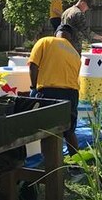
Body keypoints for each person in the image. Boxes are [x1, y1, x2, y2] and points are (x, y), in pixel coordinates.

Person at [28, 23, 81, 155]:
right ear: (70, 38)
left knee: (47, 130)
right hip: (72, 94)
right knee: (69, 130)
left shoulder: (45, 41)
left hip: (49, 92)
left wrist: (33, 87)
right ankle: (77, 162)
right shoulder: (75, 54)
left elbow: (33, 65)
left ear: (55, 33)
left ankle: (49, 163)